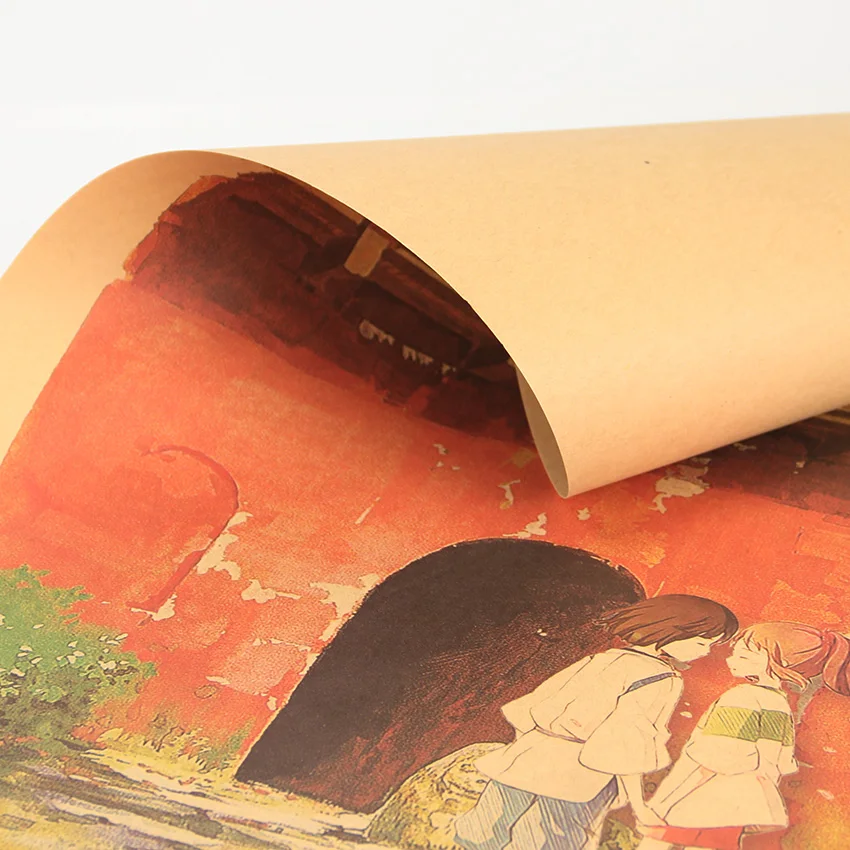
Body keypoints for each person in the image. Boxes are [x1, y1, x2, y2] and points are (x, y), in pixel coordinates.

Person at [453, 595, 739, 850]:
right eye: (702, 642)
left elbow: (532, 708)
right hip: (581, 779)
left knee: (482, 833)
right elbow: (626, 746)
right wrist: (638, 805)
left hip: (526, 760)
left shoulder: (599, 660)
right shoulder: (661, 679)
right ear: (669, 630)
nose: (705, 652)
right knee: (554, 841)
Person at [638, 621, 850, 850]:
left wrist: (664, 800)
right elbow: (776, 764)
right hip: (739, 806)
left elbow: (708, 761)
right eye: (735, 653)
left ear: (780, 664)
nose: (731, 660)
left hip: (701, 795)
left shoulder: (741, 698)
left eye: (744, 656)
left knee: (655, 844)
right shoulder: (779, 704)